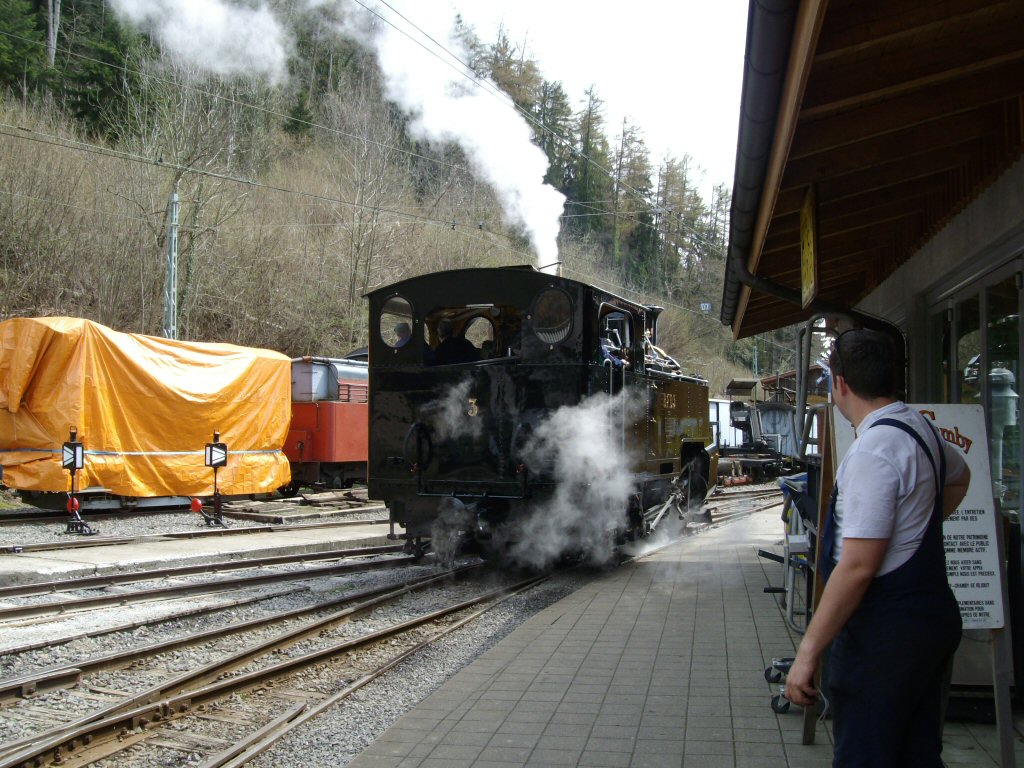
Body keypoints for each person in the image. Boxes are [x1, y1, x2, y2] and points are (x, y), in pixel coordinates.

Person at [785, 328, 970, 767]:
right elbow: (960, 476)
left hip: (885, 638)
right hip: (930, 624)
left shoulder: (873, 450)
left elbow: (857, 568)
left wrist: (808, 653)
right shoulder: (918, 428)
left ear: (840, 383)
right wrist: (911, 528)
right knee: (917, 754)